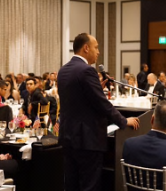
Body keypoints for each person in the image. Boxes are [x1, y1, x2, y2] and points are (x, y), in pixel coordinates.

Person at [57, 33, 140, 191]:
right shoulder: (87, 70)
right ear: (86, 48)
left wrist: (97, 89)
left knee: (71, 184)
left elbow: (78, 99)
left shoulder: (63, 70)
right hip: (87, 139)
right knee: (90, 185)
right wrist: (123, 121)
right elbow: (103, 104)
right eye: (96, 47)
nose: (98, 51)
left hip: (68, 136)